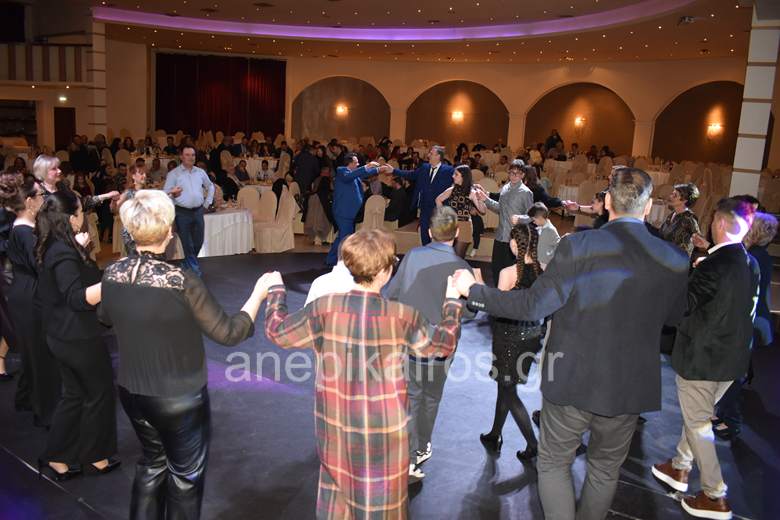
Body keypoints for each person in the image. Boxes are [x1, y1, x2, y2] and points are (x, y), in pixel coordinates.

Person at [453, 168, 690, 520]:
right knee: (605, 471)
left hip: (571, 381)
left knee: (553, 463)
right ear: (648, 206)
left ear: (607, 202)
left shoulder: (578, 246)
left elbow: (533, 305)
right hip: (628, 387)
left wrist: (473, 291)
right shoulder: (674, 258)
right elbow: (674, 318)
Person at [263, 229, 464, 519]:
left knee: (337, 509)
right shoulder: (402, 316)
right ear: (385, 271)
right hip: (385, 436)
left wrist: (276, 292)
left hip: (335, 430)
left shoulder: (324, 309)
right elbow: (443, 345)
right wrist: (452, 302)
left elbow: (277, 330)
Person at [98, 190, 262, 519]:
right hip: (177, 397)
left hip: (132, 392)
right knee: (185, 479)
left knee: (152, 465)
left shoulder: (112, 273)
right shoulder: (180, 281)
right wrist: (258, 294)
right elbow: (229, 332)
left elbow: (104, 316)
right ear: (169, 231)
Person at [652, 198, 758, 520]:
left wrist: (682, 275)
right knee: (697, 416)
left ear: (720, 224)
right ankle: (680, 467)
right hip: (732, 359)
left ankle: (715, 495)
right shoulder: (748, 262)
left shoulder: (713, 265)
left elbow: (682, 306)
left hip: (703, 359)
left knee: (698, 424)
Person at [384, 207, 474, 481]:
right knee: (432, 397)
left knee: (412, 396)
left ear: (429, 231)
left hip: (410, 340)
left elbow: (392, 294)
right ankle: (422, 446)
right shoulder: (462, 267)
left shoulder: (412, 256)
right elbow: (470, 312)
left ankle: (411, 454)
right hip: (443, 345)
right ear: (456, 233)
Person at [36, 189, 119, 481]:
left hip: (61, 334)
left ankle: (57, 456)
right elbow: (76, 297)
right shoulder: (63, 252)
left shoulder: (53, 244)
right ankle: (96, 457)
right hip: (77, 337)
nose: (84, 216)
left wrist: (80, 251)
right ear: (71, 218)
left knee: (74, 395)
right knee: (99, 393)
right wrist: (114, 280)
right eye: (81, 212)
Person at [479, 222, 544, 462]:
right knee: (505, 387)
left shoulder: (508, 273)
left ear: (515, 243)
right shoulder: (543, 270)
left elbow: (497, 308)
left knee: (509, 391)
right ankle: (495, 433)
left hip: (508, 337)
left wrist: (480, 288)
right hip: (532, 336)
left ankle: (533, 444)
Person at [5, 176, 61, 426]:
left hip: (24, 293)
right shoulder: (25, 232)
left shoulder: (22, 227)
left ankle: (27, 399)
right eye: (40, 195)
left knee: (32, 352)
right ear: (29, 202)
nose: (43, 199)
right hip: (30, 296)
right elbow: (40, 266)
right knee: (40, 354)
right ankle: (46, 412)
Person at [474, 159, 534, 284]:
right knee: (496, 269)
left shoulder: (526, 192)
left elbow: (531, 217)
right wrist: (485, 199)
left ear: (523, 174)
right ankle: (498, 292)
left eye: (517, 173)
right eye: (511, 173)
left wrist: (520, 219)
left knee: (510, 274)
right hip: (500, 236)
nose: (513, 176)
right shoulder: (505, 188)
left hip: (514, 239)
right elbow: (499, 209)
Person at [325, 154, 385, 266]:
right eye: (356, 162)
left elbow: (363, 173)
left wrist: (378, 169)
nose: (358, 164)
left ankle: (332, 259)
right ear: (350, 163)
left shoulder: (353, 174)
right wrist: (368, 165)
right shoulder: (342, 171)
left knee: (343, 236)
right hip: (343, 211)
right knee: (346, 237)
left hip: (348, 212)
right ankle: (340, 261)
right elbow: (352, 175)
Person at [163, 146, 215, 277]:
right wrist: (172, 197)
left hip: (198, 211)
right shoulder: (173, 174)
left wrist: (207, 203)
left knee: (199, 241)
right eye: (187, 155)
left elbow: (210, 186)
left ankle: (187, 264)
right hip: (182, 213)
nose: (191, 157)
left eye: (193, 155)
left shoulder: (200, 172)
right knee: (188, 244)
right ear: (181, 157)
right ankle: (195, 272)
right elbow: (166, 193)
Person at [393, 146, 456, 246]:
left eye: (431, 153)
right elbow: (411, 174)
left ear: (438, 156)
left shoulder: (449, 170)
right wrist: (394, 170)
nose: (428, 155)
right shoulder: (424, 167)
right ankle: (426, 252)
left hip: (439, 209)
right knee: (424, 235)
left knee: (439, 236)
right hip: (424, 208)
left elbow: (461, 180)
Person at [435, 165, 486, 258]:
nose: (453, 176)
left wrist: (480, 200)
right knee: (448, 256)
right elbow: (438, 200)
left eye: (456, 174)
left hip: (464, 226)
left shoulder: (472, 192)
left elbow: (483, 211)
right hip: (451, 225)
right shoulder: (451, 190)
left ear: (463, 176)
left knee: (458, 256)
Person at [658, 182, 700, 257]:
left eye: (675, 195)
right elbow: (661, 235)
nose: (670, 196)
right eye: (672, 193)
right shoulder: (672, 215)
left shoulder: (689, 218)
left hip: (678, 261)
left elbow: (700, 241)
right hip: (665, 257)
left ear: (684, 200)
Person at [112, 165, 147, 256]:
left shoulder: (147, 192)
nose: (144, 175)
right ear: (133, 176)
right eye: (141, 173)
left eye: (145, 173)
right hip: (132, 233)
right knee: (134, 260)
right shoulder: (128, 192)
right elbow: (114, 209)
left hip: (145, 231)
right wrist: (113, 201)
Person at [527, 202, 560, 268]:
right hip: (537, 260)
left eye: (534, 220)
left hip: (545, 262)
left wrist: (550, 257)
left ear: (540, 217)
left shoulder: (550, 230)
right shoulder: (539, 228)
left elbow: (558, 245)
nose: (533, 222)